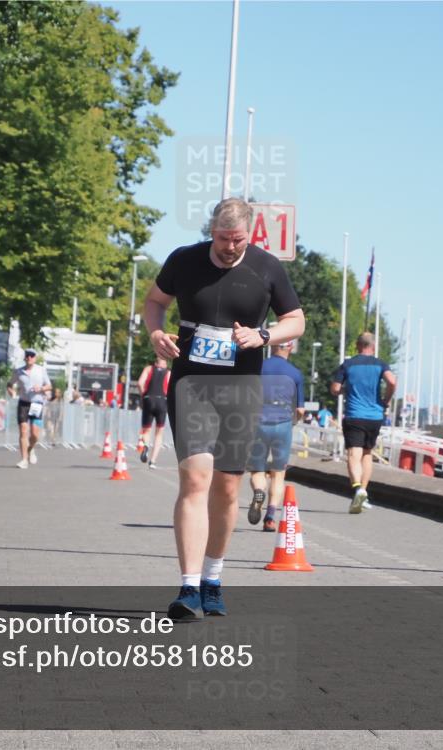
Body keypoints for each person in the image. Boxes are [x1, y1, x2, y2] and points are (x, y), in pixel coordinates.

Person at [143, 197, 305, 620]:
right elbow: (154, 301)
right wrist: (156, 333)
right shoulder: (184, 260)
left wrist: (264, 336)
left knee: (228, 487)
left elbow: (297, 319)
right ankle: (189, 587)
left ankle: (213, 579)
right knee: (195, 479)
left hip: (240, 388)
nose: (228, 248)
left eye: (236, 240)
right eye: (221, 238)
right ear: (209, 230)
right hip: (192, 384)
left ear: (249, 235)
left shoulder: (267, 267)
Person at [330, 332, 397, 513]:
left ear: (357, 346)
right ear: (373, 347)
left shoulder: (348, 365)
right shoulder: (380, 364)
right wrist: (385, 400)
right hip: (375, 416)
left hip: (355, 415)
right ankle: (364, 494)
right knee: (367, 454)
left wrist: (346, 390)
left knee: (354, 454)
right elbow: (392, 381)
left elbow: (335, 389)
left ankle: (357, 489)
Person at [247, 340, 305, 531]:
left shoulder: (258, 368)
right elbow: (301, 410)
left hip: (258, 423)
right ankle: (270, 517)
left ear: (271, 346)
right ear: (290, 347)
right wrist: (293, 422)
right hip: (283, 424)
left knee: (257, 470)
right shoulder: (295, 373)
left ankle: (258, 491)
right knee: (278, 473)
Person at [7, 349, 52, 469]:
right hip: (23, 403)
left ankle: (30, 449)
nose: (29, 358)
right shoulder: (18, 371)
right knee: (23, 430)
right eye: (27, 356)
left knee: (35, 434)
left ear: (35, 358)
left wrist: (41, 389)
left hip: (36, 403)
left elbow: (49, 386)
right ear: (24, 358)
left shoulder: (41, 370)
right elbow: (10, 384)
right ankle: (24, 460)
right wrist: (11, 391)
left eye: (32, 356)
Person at [137, 355, 171, 469]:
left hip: (149, 399)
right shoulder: (168, 372)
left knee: (146, 429)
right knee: (159, 432)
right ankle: (153, 461)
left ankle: (146, 445)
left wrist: (143, 395)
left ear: (155, 363)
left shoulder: (148, 369)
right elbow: (171, 388)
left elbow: (140, 383)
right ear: (165, 364)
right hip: (162, 401)